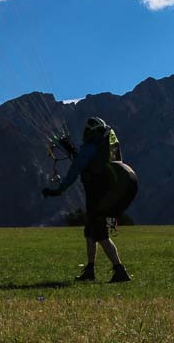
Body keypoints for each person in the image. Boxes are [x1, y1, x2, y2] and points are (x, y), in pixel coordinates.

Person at [43, 117, 137, 282]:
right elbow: (87, 163)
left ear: (89, 132)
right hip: (104, 193)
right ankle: (90, 270)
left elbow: (75, 170)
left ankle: (120, 270)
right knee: (90, 232)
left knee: (100, 234)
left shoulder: (90, 148)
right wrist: (72, 151)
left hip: (97, 196)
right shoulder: (101, 148)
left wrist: (58, 190)